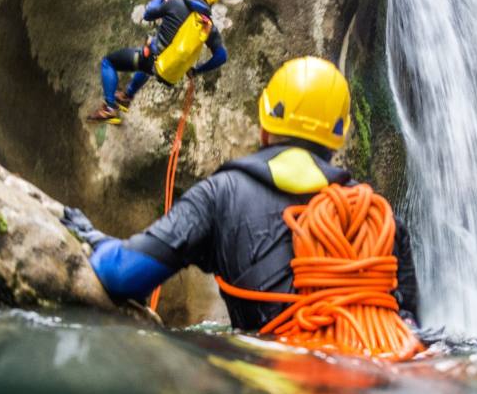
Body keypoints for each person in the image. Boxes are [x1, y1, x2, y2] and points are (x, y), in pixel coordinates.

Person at [65, 56, 419, 329]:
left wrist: (96, 239)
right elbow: (409, 325)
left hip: (271, 388)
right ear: (339, 136)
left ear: (265, 123)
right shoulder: (380, 217)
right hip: (374, 390)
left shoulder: (221, 195)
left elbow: (123, 275)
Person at [88, 0, 228, 124]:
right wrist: (196, 71)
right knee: (148, 66)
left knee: (108, 62)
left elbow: (148, 14)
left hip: (152, 59)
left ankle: (110, 108)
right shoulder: (208, 27)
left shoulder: (177, 4)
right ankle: (127, 96)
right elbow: (221, 57)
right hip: (168, 73)